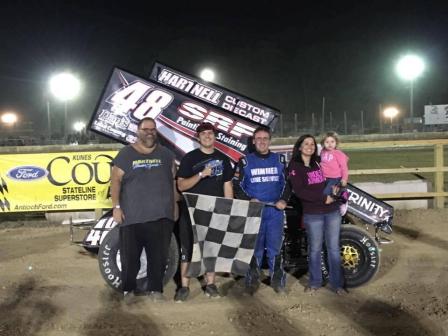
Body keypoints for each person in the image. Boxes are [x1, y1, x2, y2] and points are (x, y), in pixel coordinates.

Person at [110, 117, 177, 302]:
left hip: (161, 216)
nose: (149, 132)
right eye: (145, 129)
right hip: (132, 217)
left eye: (153, 129)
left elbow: (172, 182)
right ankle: (128, 291)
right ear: (138, 131)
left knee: (159, 258)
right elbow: (115, 181)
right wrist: (116, 207)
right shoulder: (125, 154)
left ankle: (156, 291)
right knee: (130, 258)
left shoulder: (166, 155)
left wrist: (175, 204)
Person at [175, 122, 234, 301]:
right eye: (203, 133)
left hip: (214, 211)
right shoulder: (189, 158)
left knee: (211, 249)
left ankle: (211, 284)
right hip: (191, 211)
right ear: (198, 137)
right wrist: (201, 174)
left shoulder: (223, 159)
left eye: (210, 133)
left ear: (214, 136)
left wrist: (228, 210)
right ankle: (184, 287)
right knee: (187, 249)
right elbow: (181, 185)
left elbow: (227, 185)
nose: (207, 136)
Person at [287, 134, 344, 295]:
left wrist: (336, 189)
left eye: (312, 144)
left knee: (333, 248)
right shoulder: (294, 166)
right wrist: (323, 197)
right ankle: (315, 282)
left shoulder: (319, 162)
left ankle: (337, 284)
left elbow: (335, 174)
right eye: (306, 144)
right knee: (315, 249)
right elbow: (300, 191)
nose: (310, 146)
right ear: (299, 147)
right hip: (313, 213)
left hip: (331, 210)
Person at [235, 125, 289, 294]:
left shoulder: (279, 160)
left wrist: (283, 199)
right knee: (254, 249)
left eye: (265, 138)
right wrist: (249, 199)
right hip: (254, 212)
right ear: (253, 141)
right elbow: (236, 185)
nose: (262, 142)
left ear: (269, 141)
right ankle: (252, 281)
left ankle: (277, 281)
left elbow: (288, 184)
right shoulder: (244, 162)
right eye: (259, 138)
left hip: (275, 211)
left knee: (275, 248)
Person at [320, 132, 349, 215]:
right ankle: (332, 207)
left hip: (335, 178)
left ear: (336, 143)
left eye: (332, 142)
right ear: (323, 143)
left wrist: (344, 178)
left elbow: (344, 167)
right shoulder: (322, 152)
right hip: (325, 178)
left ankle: (343, 202)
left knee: (325, 194)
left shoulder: (338, 153)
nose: (330, 144)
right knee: (324, 194)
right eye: (327, 142)